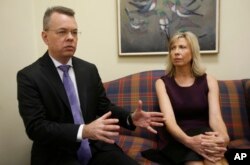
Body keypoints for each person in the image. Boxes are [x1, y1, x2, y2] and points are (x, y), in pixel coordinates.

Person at [17, 6, 164, 165]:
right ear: (45, 37)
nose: (70, 37)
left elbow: (104, 106)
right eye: (62, 32)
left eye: (74, 32)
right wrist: (84, 131)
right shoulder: (29, 76)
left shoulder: (88, 70)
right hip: (56, 152)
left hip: (95, 146)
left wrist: (129, 118)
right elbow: (36, 128)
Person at [141, 31, 230, 165]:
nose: (176, 52)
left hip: (203, 135)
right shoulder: (162, 83)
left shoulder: (209, 80)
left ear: (193, 52)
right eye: (173, 48)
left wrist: (224, 137)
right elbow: (169, 122)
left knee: (215, 161)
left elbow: (216, 118)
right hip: (177, 138)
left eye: (182, 47)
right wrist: (190, 142)